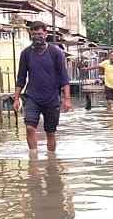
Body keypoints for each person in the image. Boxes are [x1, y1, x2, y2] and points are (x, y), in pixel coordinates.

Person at [14, 22, 72, 153]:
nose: (37, 37)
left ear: (46, 34)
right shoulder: (26, 54)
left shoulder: (56, 53)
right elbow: (21, 78)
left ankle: (51, 159)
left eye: (39, 34)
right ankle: (33, 158)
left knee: (50, 132)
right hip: (33, 98)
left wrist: (67, 99)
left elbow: (64, 77)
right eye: (34, 34)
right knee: (29, 128)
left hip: (51, 99)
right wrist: (16, 98)